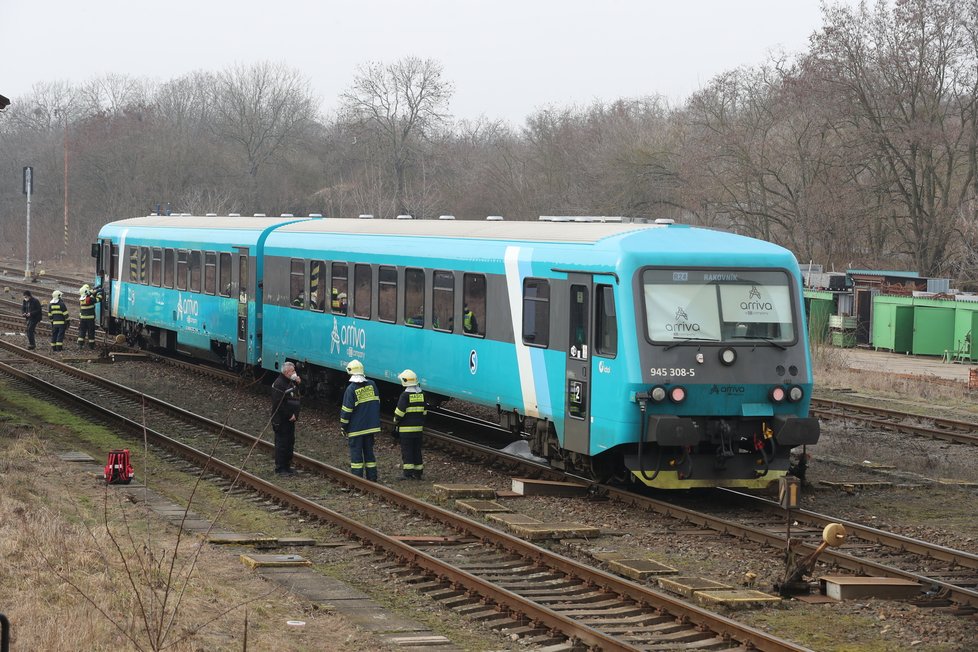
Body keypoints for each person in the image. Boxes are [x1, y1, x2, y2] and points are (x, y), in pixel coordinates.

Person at [340, 359, 380, 481]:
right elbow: (377, 403)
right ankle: (372, 478)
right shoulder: (372, 384)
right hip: (370, 427)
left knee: (356, 456)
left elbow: (346, 411)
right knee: (369, 454)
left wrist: (343, 426)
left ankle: (357, 480)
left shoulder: (351, 389)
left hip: (356, 429)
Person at [392, 369, 427, 479]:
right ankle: (418, 473)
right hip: (418, 430)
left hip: (406, 431)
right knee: (417, 451)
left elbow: (399, 412)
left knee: (407, 451)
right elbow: (425, 412)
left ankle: (408, 474)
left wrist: (395, 420)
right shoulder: (422, 394)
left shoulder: (405, 395)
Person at [270, 361, 302, 475]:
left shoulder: (291, 382)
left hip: (290, 420)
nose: (295, 373)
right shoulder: (279, 384)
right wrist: (290, 415)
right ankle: (280, 468)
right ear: (287, 372)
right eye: (293, 371)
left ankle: (287, 466)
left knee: (289, 443)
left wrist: (297, 383)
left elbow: (296, 398)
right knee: (282, 444)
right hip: (281, 420)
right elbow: (279, 404)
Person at [77, 284, 97, 349]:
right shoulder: (90, 299)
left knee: (82, 331)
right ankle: (91, 346)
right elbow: (98, 299)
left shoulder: (81, 300)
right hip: (90, 319)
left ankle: (80, 345)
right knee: (91, 332)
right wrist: (99, 293)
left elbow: (87, 295)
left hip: (82, 319)